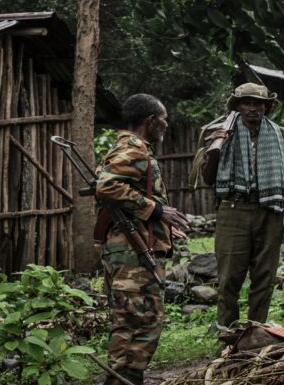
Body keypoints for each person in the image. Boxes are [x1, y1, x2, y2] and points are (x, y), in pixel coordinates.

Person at [95, 93, 189, 385]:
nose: (165, 124)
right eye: (163, 119)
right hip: (129, 253)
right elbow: (106, 186)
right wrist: (156, 210)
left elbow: (123, 192)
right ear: (150, 121)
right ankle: (122, 380)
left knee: (138, 319)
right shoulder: (133, 149)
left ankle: (126, 379)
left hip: (131, 247)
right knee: (138, 320)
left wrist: (161, 224)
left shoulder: (131, 148)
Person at [197, 83, 284, 326]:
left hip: (270, 211)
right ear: (237, 106)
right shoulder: (220, 133)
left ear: (266, 107)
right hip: (233, 210)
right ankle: (228, 334)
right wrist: (216, 146)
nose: (253, 108)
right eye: (247, 103)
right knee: (228, 278)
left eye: (259, 104)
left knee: (264, 277)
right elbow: (208, 178)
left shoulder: (282, 135)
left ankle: (255, 331)